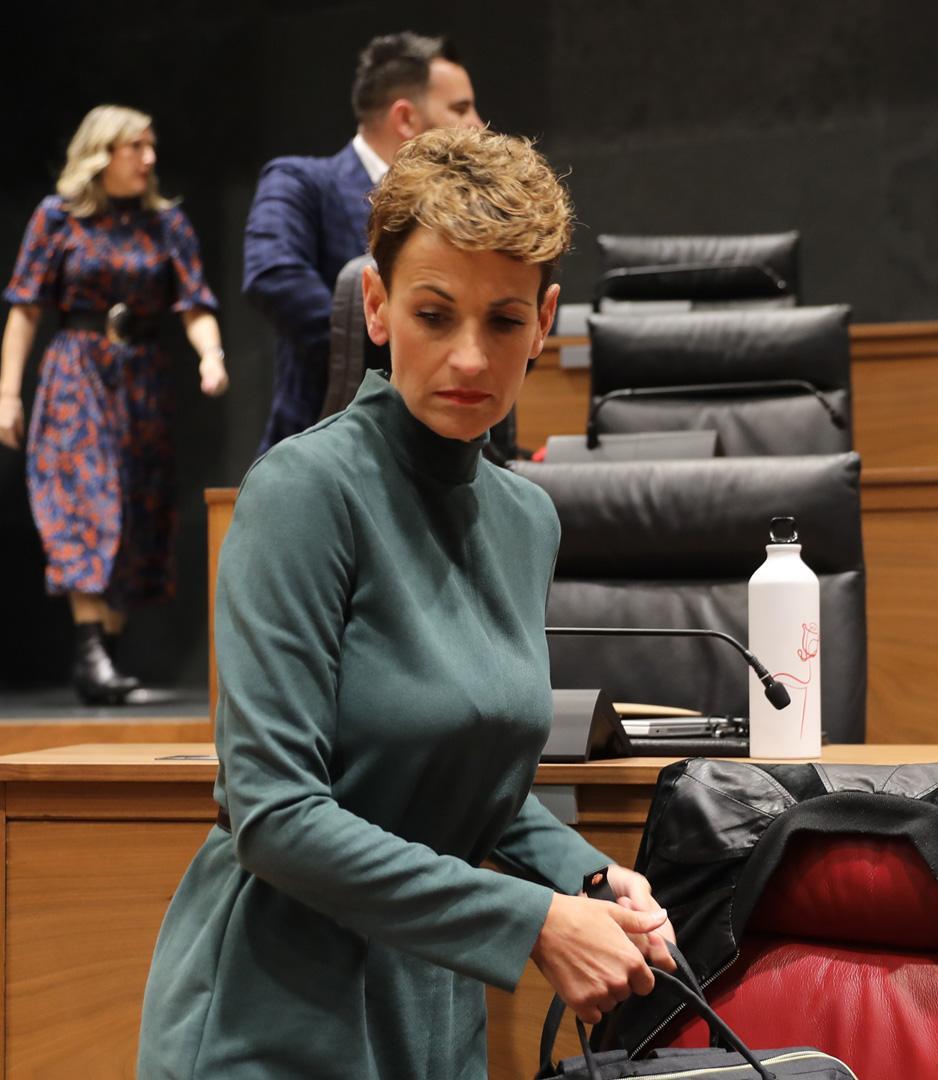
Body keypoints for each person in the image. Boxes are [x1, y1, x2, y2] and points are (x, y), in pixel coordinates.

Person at [136, 128, 675, 1079]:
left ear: (545, 323)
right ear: (378, 308)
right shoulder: (304, 492)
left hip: (428, 996)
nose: (470, 356)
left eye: (504, 322)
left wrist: (585, 875)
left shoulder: (524, 520)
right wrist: (536, 921)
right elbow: (274, 813)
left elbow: (470, 784)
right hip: (273, 1008)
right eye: (436, 314)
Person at [0, 105, 228, 705]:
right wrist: (7, 393)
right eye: (136, 148)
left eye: (151, 147)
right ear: (102, 153)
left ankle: (106, 662)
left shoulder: (166, 224)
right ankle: (90, 651)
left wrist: (211, 356)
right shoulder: (58, 218)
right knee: (84, 501)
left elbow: (195, 303)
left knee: (134, 510)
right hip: (78, 372)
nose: (149, 160)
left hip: (142, 378)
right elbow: (25, 308)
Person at [244, 30, 484, 453]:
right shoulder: (301, 182)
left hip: (447, 455)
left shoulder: (468, 206)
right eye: (461, 108)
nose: (478, 125)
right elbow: (272, 274)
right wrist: (397, 350)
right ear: (406, 119)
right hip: (319, 450)